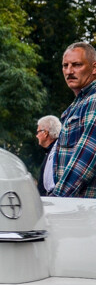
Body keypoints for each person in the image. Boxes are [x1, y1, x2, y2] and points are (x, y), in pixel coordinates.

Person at [51, 42, 96, 197]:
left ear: (94, 68)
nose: (69, 71)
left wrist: (58, 199)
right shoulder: (78, 104)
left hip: (84, 210)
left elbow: (88, 155)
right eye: (65, 65)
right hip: (76, 207)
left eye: (76, 65)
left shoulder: (94, 101)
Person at [36, 115, 62, 196]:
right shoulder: (54, 151)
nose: (36, 136)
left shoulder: (55, 153)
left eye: (38, 132)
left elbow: (50, 186)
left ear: (45, 133)